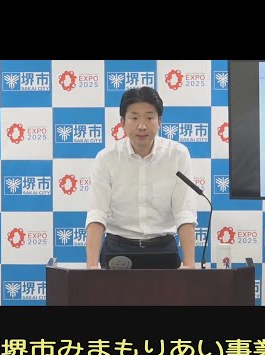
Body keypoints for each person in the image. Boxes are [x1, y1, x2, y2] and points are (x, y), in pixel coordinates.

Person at [85, 86, 198, 269]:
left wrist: (190, 264)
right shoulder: (106, 158)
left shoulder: (177, 155)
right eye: (134, 117)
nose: (142, 126)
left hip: (163, 249)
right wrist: (91, 266)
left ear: (159, 121)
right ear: (122, 122)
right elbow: (97, 214)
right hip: (118, 249)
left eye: (149, 117)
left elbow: (184, 213)